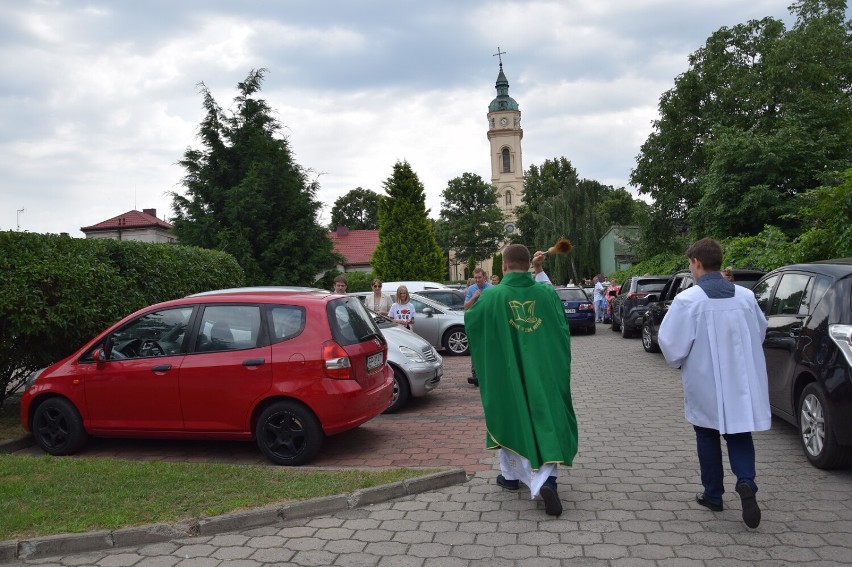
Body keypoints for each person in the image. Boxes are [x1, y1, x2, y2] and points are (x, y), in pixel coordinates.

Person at [658, 237, 770, 529]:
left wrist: (679, 361)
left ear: (696, 263)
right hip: (740, 382)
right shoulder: (745, 297)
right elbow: (760, 331)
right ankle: (746, 482)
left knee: (707, 435)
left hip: (705, 380)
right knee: (739, 433)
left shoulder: (689, 300)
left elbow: (671, 343)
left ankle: (713, 495)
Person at [464, 245, 578, 517]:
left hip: (510, 375)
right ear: (527, 264)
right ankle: (540, 480)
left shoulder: (492, 297)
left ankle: (519, 479)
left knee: (509, 418)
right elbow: (561, 324)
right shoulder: (545, 293)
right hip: (543, 374)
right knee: (547, 422)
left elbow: (472, 322)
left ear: (503, 266)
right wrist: (538, 273)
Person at [464, 268, 493, 387]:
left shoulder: (491, 289)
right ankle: (476, 376)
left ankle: (490, 375)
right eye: (475, 278)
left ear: (485, 277)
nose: (477, 280)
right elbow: (466, 306)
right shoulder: (471, 289)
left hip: (488, 324)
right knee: (476, 350)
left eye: (479, 277)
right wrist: (474, 297)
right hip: (476, 324)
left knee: (489, 350)